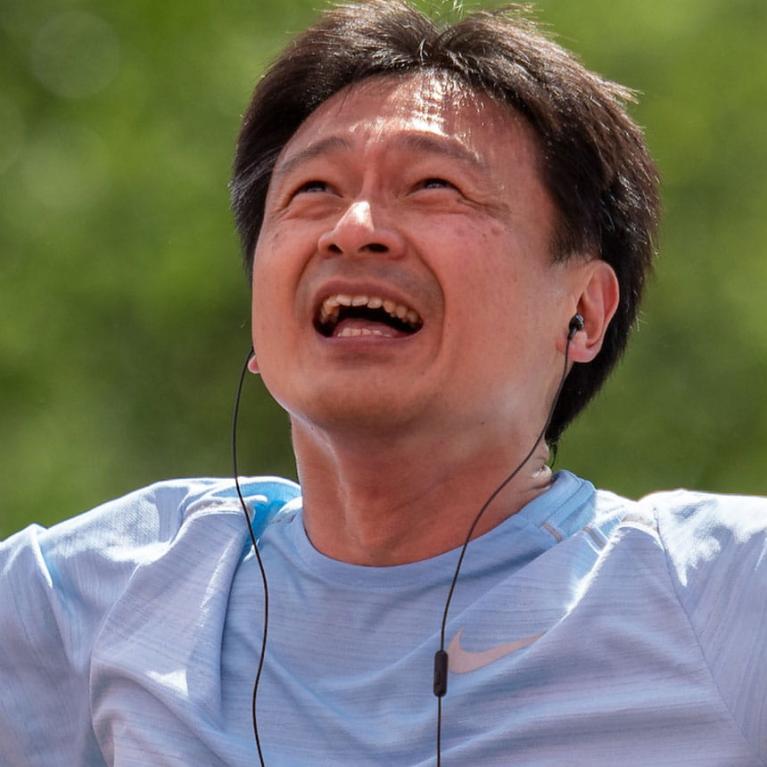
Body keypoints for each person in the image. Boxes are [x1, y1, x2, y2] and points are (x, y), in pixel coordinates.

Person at [1, 1, 765, 765]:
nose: (353, 224)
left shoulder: (720, 594)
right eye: (311, 192)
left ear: (582, 312)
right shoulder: (93, 595)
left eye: (434, 186)